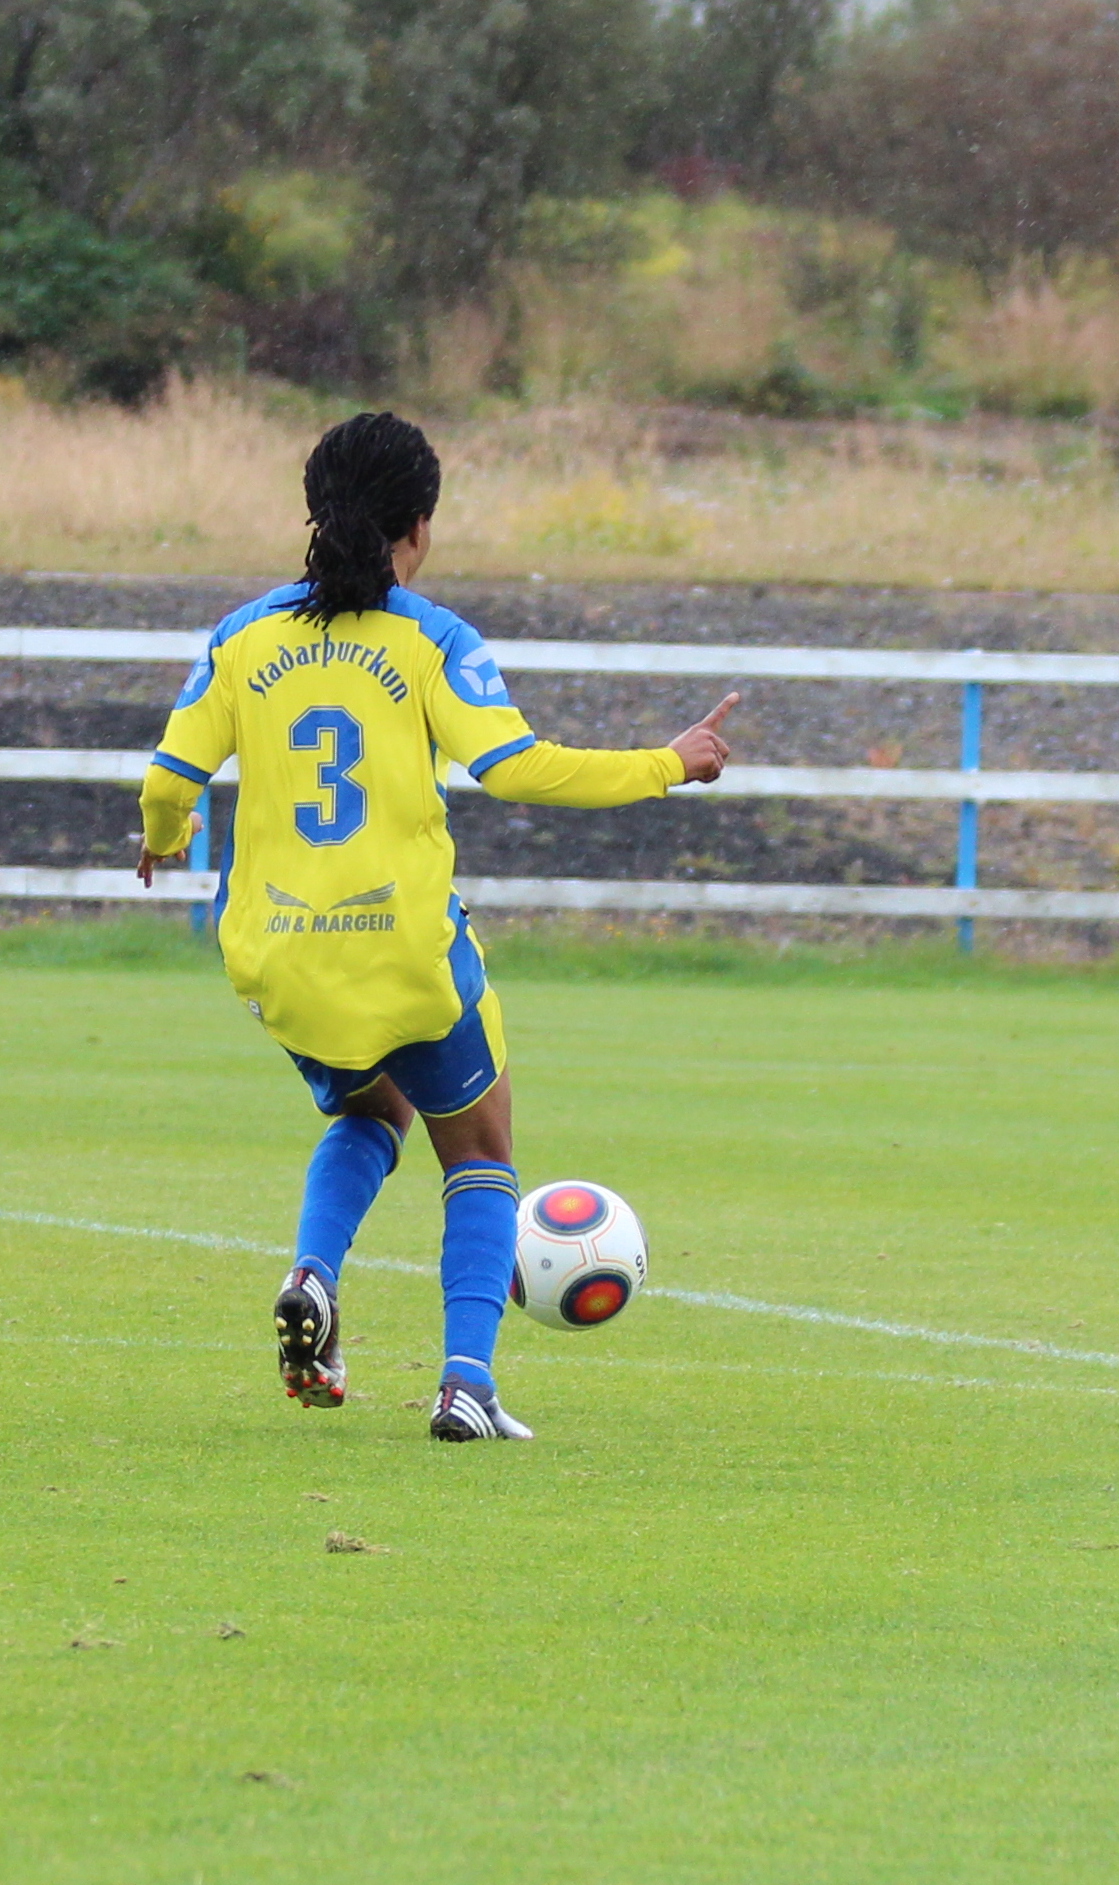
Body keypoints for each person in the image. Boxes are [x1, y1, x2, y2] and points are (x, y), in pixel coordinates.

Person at [137, 411, 736, 1442]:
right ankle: (466, 1384)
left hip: (277, 958)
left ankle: (312, 1275)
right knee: (481, 1147)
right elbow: (517, 768)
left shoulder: (241, 638)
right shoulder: (433, 639)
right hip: (406, 952)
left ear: (316, 511)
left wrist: (165, 837)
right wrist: (666, 764)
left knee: (372, 1112)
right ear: (419, 523)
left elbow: (166, 782)